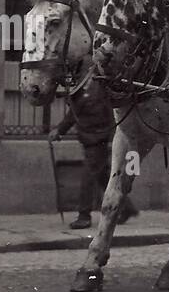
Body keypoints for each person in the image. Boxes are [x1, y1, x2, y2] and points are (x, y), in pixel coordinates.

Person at [50, 82, 136, 229]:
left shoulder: (98, 85)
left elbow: (107, 113)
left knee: (88, 176)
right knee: (101, 175)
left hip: (99, 138)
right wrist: (59, 130)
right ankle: (127, 207)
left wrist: (110, 139)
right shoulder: (81, 86)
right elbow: (74, 113)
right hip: (90, 138)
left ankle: (84, 216)